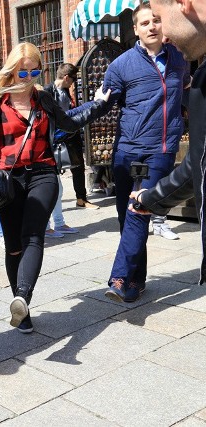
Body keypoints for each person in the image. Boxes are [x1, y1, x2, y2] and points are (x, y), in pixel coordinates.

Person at [0, 42, 109, 333]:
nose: (27, 77)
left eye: (34, 71)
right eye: (22, 71)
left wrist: (99, 103)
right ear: (11, 69)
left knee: (33, 236)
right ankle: (22, 310)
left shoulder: (43, 98)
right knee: (13, 247)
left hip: (42, 172)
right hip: (6, 179)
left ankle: (22, 297)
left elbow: (69, 121)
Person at [102, 2, 190, 303]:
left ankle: (120, 277)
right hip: (128, 152)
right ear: (135, 30)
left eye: (156, 20)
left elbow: (188, 91)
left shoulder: (180, 57)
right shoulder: (121, 65)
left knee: (139, 207)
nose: (152, 26)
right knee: (127, 217)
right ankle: (135, 283)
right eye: (144, 23)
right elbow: (103, 104)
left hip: (160, 150)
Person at [131, 0, 206, 284]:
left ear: (183, 4)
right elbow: (199, 165)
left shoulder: (188, 71)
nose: (162, 34)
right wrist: (152, 199)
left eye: (160, 18)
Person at [44, 63, 100, 210]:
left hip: (71, 132)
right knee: (55, 170)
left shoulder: (65, 90)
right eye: (73, 79)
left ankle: (81, 199)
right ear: (67, 77)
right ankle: (53, 205)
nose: (74, 83)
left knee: (78, 166)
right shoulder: (47, 91)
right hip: (57, 136)